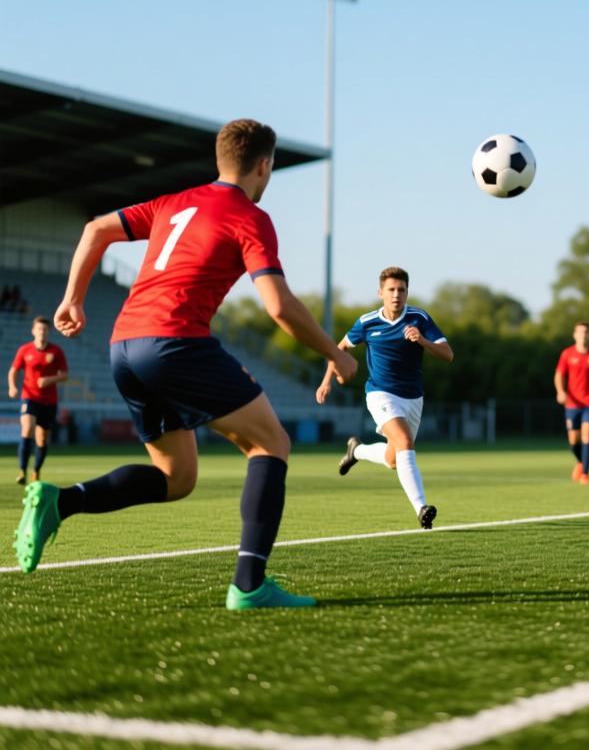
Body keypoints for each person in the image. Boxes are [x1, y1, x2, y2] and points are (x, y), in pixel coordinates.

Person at [12, 118, 358, 612]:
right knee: (271, 443)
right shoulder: (250, 217)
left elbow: (95, 229)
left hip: (125, 346)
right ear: (265, 165)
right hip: (175, 342)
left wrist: (73, 299)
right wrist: (335, 352)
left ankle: (58, 502)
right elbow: (278, 306)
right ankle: (249, 585)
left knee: (177, 477)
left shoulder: (174, 202)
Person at [316, 267, 453, 529]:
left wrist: (422, 340)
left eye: (401, 290)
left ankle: (357, 450)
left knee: (393, 459)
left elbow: (448, 354)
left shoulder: (419, 318)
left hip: (413, 398)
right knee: (404, 441)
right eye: (391, 289)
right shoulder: (367, 322)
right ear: (380, 292)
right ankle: (421, 508)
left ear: (407, 292)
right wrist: (326, 382)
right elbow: (340, 348)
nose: (396, 295)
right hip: (380, 393)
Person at [8, 316, 69, 485]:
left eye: (44, 329)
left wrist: (49, 380)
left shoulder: (56, 352)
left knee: (42, 439)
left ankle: (36, 470)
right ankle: (22, 470)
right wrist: (12, 387)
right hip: (29, 397)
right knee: (27, 429)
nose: (42, 332)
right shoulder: (25, 350)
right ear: (33, 331)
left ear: (48, 331)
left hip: (49, 401)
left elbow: (65, 375)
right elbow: (13, 370)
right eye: (39, 329)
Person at [553, 321, 589, 484]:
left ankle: (585, 473)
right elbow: (559, 376)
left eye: (586, 332)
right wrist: (561, 391)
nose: (583, 335)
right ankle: (580, 462)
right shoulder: (567, 354)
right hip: (572, 403)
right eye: (580, 332)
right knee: (573, 441)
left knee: (588, 434)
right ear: (574, 335)